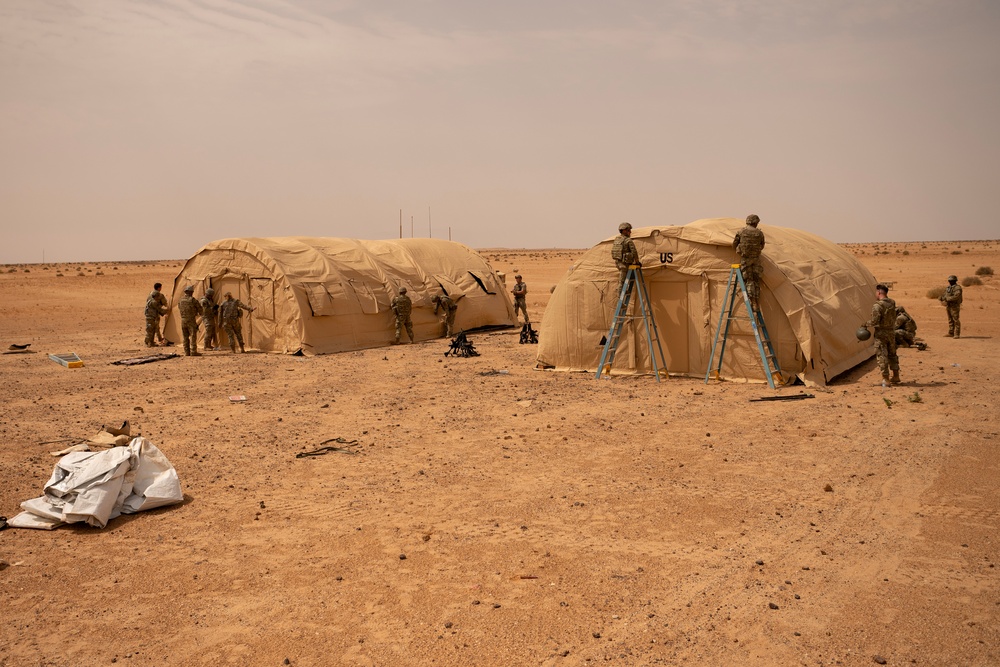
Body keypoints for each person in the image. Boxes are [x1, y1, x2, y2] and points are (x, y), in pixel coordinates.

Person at [863, 283, 900, 384]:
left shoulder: (877, 306)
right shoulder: (892, 302)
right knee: (892, 354)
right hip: (891, 333)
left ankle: (886, 379)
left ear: (879, 292)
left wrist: (865, 324)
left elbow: (875, 321)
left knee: (882, 355)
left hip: (881, 334)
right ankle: (896, 376)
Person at [733, 214, 766, 311]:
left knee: (748, 280)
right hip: (756, 260)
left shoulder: (741, 232)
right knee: (755, 280)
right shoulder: (759, 233)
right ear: (755, 222)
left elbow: (734, 244)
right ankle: (755, 302)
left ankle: (751, 301)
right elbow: (762, 245)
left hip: (745, 259)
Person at [611, 222, 639, 297]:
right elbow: (634, 252)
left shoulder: (617, 239)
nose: (630, 232)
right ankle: (620, 298)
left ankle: (624, 291)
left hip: (618, 263)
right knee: (622, 281)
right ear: (624, 231)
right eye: (628, 230)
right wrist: (637, 262)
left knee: (624, 279)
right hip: (625, 264)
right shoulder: (628, 240)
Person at [178, 285, 204, 356]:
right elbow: (200, 310)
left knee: (185, 336)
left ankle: (187, 352)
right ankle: (193, 351)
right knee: (193, 336)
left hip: (183, 320)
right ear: (191, 292)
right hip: (191, 320)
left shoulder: (180, 300)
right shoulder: (193, 300)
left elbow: (179, 308)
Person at [144, 282, 168, 347]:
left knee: (151, 328)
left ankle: (150, 341)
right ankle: (149, 342)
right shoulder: (158, 297)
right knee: (153, 328)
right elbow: (162, 306)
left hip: (151, 314)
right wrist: (167, 311)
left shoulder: (150, 295)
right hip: (153, 315)